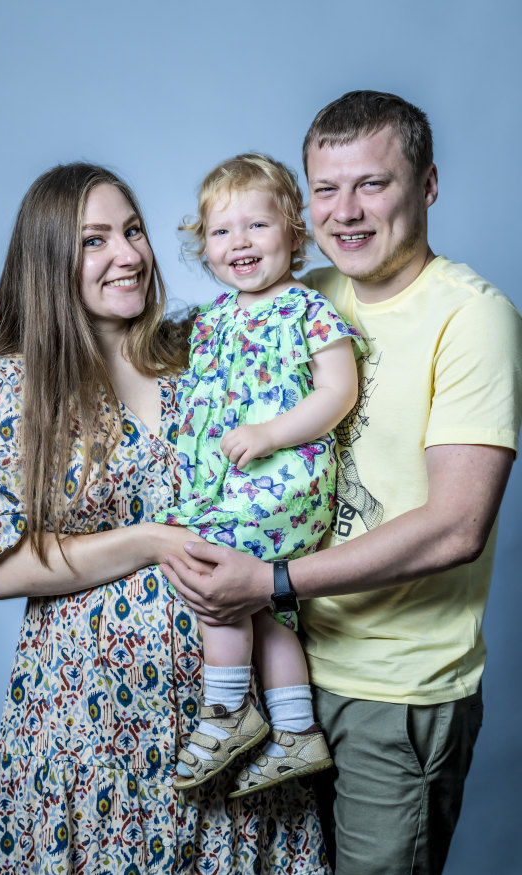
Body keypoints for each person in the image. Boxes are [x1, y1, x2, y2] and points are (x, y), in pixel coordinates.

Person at [160, 91, 522, 875]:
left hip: (396, 690)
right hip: (288, 671)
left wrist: (269, 579)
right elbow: (163, 354)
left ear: (426, 185)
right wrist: (11, 382)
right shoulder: (303, 292)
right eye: (326, 188)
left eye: (373, 184)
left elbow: (458, 526)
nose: (346, 212)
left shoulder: (473, 318)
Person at [0, 162, 331, 875]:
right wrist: (152, 540)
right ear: (49, 260)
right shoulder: (9, 383)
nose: (127, 254)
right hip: (90, 728)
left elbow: (301, 317)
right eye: (94, 241)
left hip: (233, 730)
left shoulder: (200, 348)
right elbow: (3, 571)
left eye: (132, 231)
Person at [155, 153, 364, 796]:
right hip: (234, 481)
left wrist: (272, 433)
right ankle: (297, 731)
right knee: (264, 606)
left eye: (257, 227)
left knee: (212, 569)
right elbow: (139, 362)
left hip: (287, 477)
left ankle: (227, 710)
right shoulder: (210, 319)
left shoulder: (306, 309)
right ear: (204, 246)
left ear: (294, 235)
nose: (239, 243)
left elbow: (339, 392)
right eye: (222, 232)